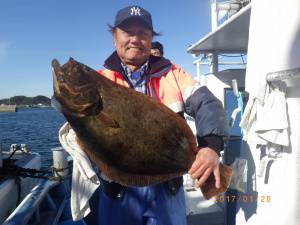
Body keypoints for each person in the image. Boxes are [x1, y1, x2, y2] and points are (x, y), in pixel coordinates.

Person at [94, 5, 228, 225]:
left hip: (167, 190)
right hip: (119, 191)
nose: (135, 39)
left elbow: (207, 103)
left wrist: (210, 147)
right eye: (128, 32)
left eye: (143, 34)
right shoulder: (100, 81)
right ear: (114, 37)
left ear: (151, 39)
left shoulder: (173, 74)